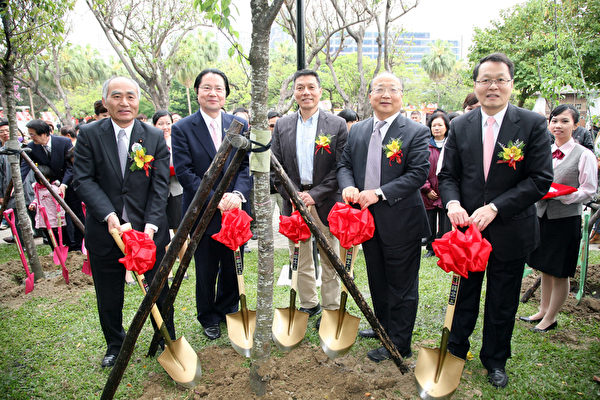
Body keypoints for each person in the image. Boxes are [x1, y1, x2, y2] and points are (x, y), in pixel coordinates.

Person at [438, 53, 553, 388]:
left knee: (502, 299)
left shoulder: (531, 124)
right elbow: (448, 175)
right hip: (467, 232)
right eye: (486, 80)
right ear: (476, 85)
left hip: (511, 228)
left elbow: (540, 179)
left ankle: (496, 359)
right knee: (464, 294)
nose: (493, 86)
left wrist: (496, 207)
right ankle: (456, 349)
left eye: (500, 80)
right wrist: (453, 203)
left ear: (510, 85)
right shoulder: (461, 125)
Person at [73, 76, 175, 368]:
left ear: (138, 100)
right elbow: (83, 179)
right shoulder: (89, 134)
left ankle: (165, 338)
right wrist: (109, 215)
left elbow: (160, 186)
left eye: (131, 96)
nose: (124, 102)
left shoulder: (153, 136)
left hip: (147, 230)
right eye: (116, 96)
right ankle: (115, 345)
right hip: (106, 229)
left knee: (158, 288)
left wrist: (152, 225)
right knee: (108, 293)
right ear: (106, 101)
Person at [337, 72, 430, 362]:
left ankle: (399, 344)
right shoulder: (358, 130)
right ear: (370, 96)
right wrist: (348, 185)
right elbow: (344, 164)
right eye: (379, 89)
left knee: (402, 285)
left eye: (393, 89)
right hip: (366, 221)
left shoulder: (415, 131)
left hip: (401, 221)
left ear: (401, 96)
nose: (386, 95)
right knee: (377, 279)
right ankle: (383, 328)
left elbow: (418, 174)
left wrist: (378, 193)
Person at [171, 68, 251, 341]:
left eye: (219, 88)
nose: (213, 93)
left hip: (235, 209)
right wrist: (215, 199)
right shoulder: (182, 128)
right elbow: (185, 173)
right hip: (202, 210)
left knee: (232, 264)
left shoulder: (239, 125)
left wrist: (237, 195)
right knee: (206, 268)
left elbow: (246, 166)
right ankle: (208, 317)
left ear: (226, 93)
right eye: (207, 87)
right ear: (197, 92)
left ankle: (228, 309)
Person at [271, 69, 348, 321]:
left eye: (311, 87)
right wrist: (294, 195)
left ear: (320, 91)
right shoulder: (282, 125)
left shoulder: (336, 124)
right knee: (300, 256)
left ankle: (331, 307)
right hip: (294, 202)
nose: (306, 92)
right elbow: (276, 167)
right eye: (300, 87)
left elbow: (341, 167)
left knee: (330, 257)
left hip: (324, 201)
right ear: (294, 92)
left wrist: (314, 195)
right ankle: (309, 303)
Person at [521, 105, 597, 332]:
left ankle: (551, 317)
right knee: (544, 266)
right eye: (554, 121)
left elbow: (589, 190)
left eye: (565, 121)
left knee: (560, 270)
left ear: (576, 125)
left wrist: (563, 195)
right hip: (541, 216)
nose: (558, 126)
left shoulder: (584, 155)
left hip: (565, 219)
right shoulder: (544, 151)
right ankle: (542, 310)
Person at [421, 111, 451, 258]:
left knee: (446, 222)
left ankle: (444, 248)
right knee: (430, 220)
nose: (437, 128)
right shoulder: (425, 146)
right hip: (429, 190)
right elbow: (420, 169)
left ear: (446, 127)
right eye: (434, 125)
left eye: (440, 125)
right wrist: (426, 188)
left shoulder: (451, 145)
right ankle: (431, 248)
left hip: (446, 189)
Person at [21, 119, 73, 199]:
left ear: (44, 134)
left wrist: (64, 184)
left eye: (32, 135)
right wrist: (16, 184)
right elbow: (24, 167)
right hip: (48, 191)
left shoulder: (64, 142)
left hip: (68, 185)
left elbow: (71, 166)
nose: (31, 137)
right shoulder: (31, 147)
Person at [28, 164, 66, 250]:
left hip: (53, 215)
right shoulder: (37, 188)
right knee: (48, 234)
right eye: (41, 179)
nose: (44, 181)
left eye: (46, 178)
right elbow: (37, 198)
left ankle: (59, 248)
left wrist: (61, 215)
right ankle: (54, 249)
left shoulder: (54, 188)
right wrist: (33, 204)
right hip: (43, 216)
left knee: (56, 234)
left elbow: (60, 203)